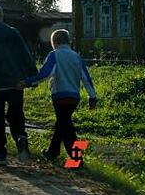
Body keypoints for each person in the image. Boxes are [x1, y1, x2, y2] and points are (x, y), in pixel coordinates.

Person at [18, 29, 97, 162]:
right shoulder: (76, 56)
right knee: (62, 124)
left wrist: (27, 82)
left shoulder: (54, 55)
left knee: (67, 129)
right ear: (68, 41)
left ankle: (77, 160)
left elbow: (45, 74)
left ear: (54, 42)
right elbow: (86, 78)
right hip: (74, 97)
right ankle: (52, 152)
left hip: (60, 96)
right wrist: (92, 96)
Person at [0, 3, 38, 165]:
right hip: (17, 84)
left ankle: (0, 154)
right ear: (2, 16)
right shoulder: (13, 32)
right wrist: (32, 77)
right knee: (16, 115)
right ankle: (20, 137)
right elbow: (25, 55)